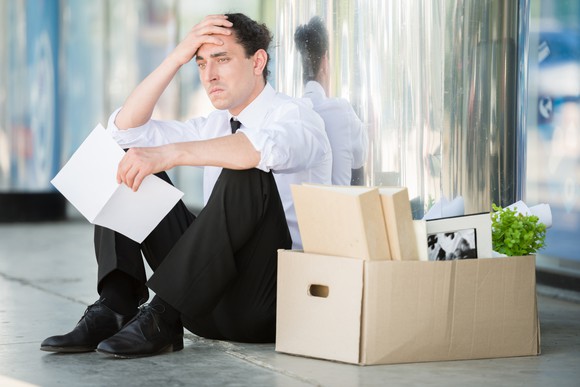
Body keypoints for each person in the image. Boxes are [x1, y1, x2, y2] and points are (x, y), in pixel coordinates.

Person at [40, 13, 331, 358]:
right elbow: (123, 131)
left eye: (222, 60)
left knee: (246, 168)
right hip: (202, 299)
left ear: (258, 61)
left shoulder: (296, 116)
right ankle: (117, 306)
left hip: (268, 303)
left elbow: (259, 149)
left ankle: (162, 314)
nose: (210, 75)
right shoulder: (214, 124)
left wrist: (171, 153)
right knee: (123, 154)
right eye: (201, 63)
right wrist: (176, 57)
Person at [294, 16, 368, 186]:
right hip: (339, 209)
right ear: (325, 61)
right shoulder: (341, 111)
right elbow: (360, 157)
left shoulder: (289, 113)